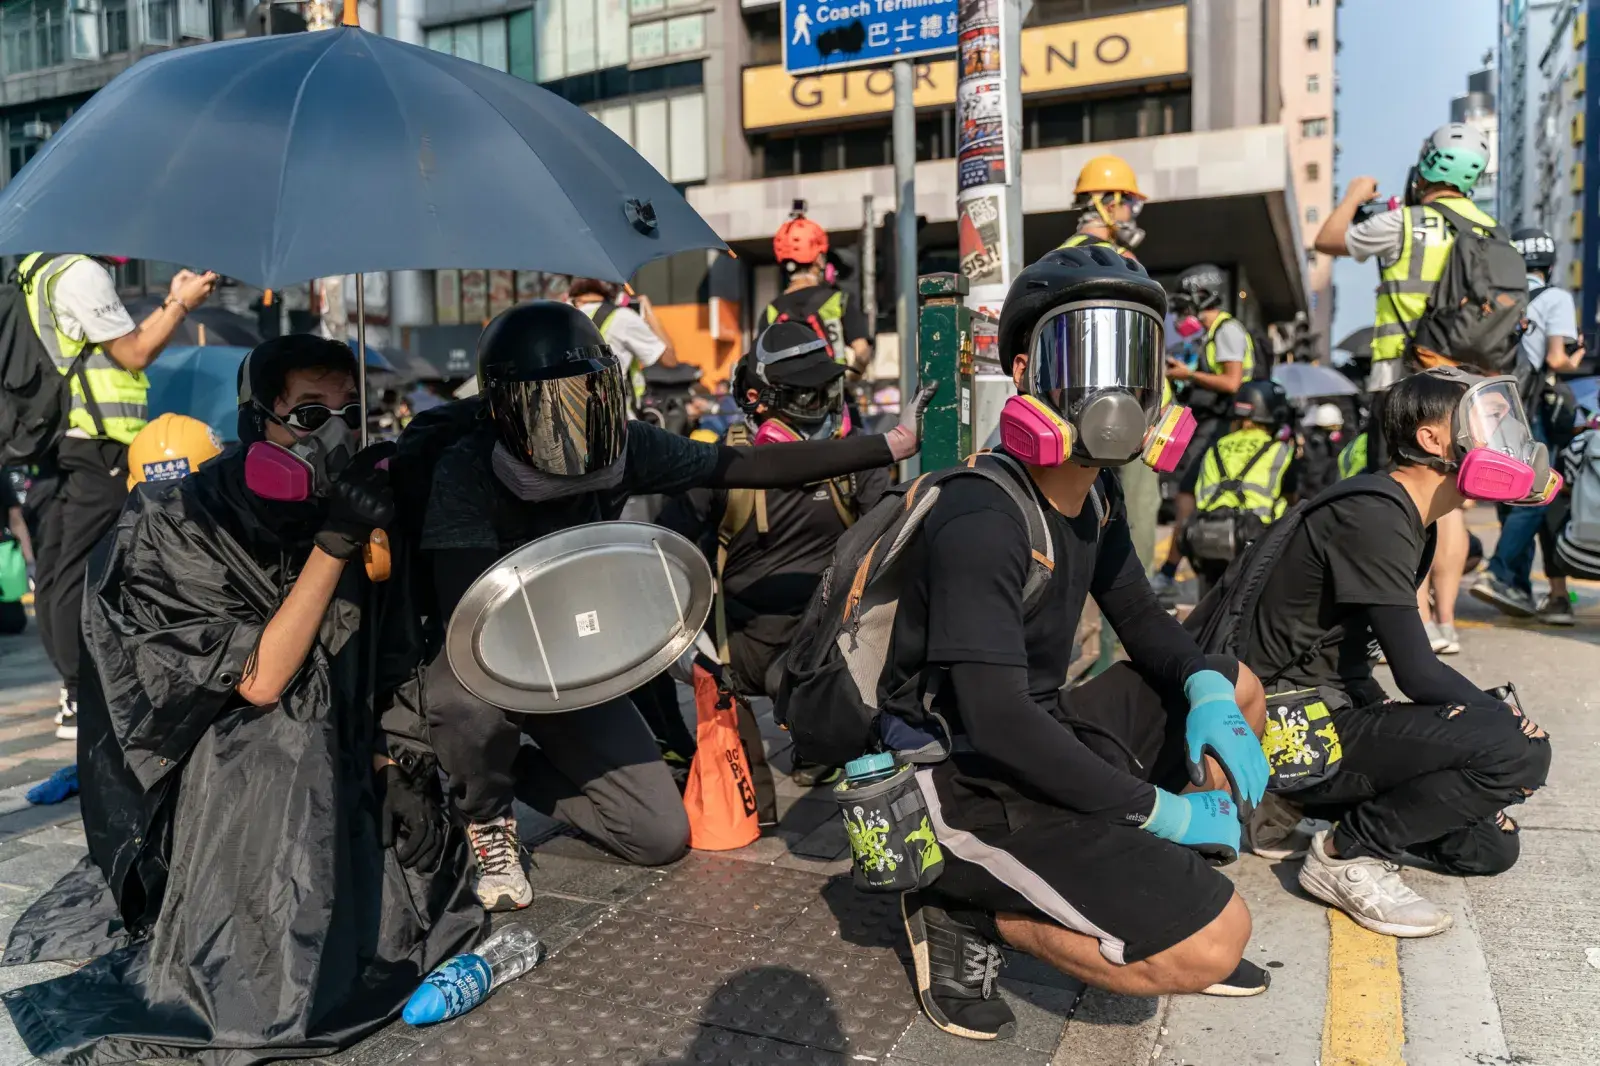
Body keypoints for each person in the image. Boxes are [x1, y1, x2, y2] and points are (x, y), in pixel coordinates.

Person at [2, 335, 483, 1062]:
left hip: (337, 761)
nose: (336, 433)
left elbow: (388, 662)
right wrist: (334, 546)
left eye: (352, 411)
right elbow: (260, 678)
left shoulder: (363, 507)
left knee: (423, 876)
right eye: (311, 414)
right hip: (228, 781)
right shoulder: (178, 519)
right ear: (259, 422)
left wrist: (394, 766)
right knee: (281, 745)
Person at [415, 301, 931, 911]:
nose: (575, 423)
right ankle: (485, 810)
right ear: (503, 407)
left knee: (659, 836)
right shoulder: (464, 470)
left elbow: (747, 465)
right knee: (467, 705)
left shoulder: (627, 447)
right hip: (489, 659)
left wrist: (889, 445)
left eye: (589, 397)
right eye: (550, 406)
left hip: (572, 655)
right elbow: (466, 615)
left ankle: (506, 768)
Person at [880, 247, 1271, 1041]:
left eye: (1133, 358)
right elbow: (992, 720)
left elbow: (1145, 622)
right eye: (1085, 354)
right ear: (1025, 372)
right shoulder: (982, 514)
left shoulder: (1091, 500)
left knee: (1240, 688)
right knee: (1214, 946)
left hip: (1041, 725)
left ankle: (1133, 886)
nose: (1114, 388)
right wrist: (1155, 810)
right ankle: (964, 906)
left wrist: (1201, 688)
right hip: (963, 779)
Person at [1234, 369, 1552, 937]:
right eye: (1488, 423)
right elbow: (1417, 671)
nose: (1503, 438)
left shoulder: (1410, 516)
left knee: (1490, 847)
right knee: (1517, 753)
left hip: (1330, 712)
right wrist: (1502, 720)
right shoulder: (1375, 513)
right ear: (1433, 440)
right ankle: (1343, 854)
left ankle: (1285, 809)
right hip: (1288, 728)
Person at [658, 321, 894, 787]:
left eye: (831, 392)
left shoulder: (856, 464)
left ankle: (821, 740)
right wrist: (686, 649)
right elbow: (661, 554)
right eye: (809, 399)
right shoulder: (722, 465)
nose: (826, 410)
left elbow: (890, 550)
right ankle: (688, 750)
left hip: (828, 640)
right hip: (743, 647)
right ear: (757, 401)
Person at [1313, 124, 1499, 651]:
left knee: (1403, 495)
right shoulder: (1490, 228)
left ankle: (1411, 626)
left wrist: (1355, 194)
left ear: (1429, 166)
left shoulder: (1408, 223)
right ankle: (1447, 624)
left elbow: (1327, 239)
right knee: (1453, 502)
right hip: (1470, 388)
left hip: (1403, 380)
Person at [21, 253, 217, 739]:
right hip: (96, 439)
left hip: (65, 438)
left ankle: (77, 688)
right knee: (88, 567)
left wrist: (171, 300)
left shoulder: (42, 269)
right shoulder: (81, 272)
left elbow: (116, 344)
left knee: (59, 568)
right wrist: (182, 307)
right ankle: (81, 689)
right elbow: (133, 354)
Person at [1472, 227, 1584, 621]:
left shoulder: (1496, 296)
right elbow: (1556, 360)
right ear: (1550, 266)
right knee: (1539, 490)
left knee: (1509, 491)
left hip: (1488, 404)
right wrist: (1576, 355)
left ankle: (1516, 587)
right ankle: (1499, 571)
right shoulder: (1555, 298)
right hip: (1527, 405)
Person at [1152, 264, 1257, 603]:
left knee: (1190, 494)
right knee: (1187, 494)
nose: (1184, 310)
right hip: (1208, 424)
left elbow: (1231, 382)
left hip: (1220, 427)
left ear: (1202, 296)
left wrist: (1188, 375)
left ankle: (1171, 573)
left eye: (1187, 301)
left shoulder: (1227, 330)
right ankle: (1176, 571)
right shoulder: (1211, 335)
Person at [1183, 380, 1298, 596]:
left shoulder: (1215, 447)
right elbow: (1292, 498)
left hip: (1206, 537)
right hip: (1253, 540)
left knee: (1210, 607)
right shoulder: (1279, 451)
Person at [762, 202, 873, 377]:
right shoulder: (838, 300)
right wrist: (853, 378)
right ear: (819, 260)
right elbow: (862, 352)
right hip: (832, 398)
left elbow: (761, 362)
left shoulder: (771, 310)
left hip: (786, 400)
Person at [567, 277, 677, 411]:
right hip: (617, 417)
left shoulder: (563, 317)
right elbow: (669, 359)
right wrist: (649, 313)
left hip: (573, 414)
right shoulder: (622, 317)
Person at [1056, 154, 1147, 257]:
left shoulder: (1056, 256)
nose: (1131, 216)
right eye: (1131, 204)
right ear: (1112, 207)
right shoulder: (1123, 260)